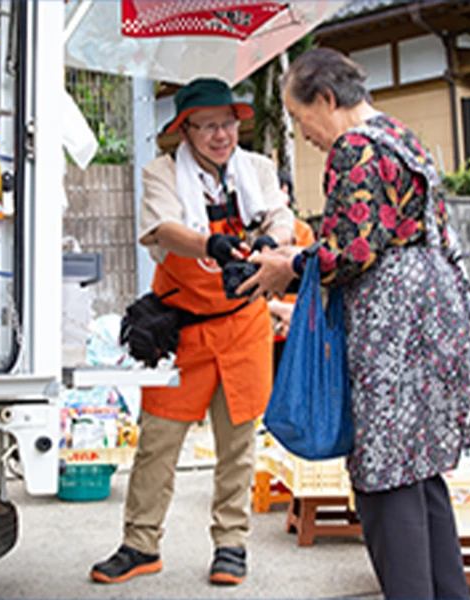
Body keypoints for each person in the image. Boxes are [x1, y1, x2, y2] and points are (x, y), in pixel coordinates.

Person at [239, 48, 470, 599]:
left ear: (326, 100)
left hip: (392, 325)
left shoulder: (355, 147)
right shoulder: (403, 136)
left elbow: (348, 252)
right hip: (435, 316)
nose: (305, 136)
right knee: (422, 474)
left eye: (302, 119)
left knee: (384, 477)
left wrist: (290, 265)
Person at [90, 78, 296, 586]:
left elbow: (283, 217)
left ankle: (231, 544)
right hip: (181, 330)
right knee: (158, 441)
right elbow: (164, 232)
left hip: (244, 325)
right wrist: (213, 246)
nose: (221, 134)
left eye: (227, 123)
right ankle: (141, 544)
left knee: (237, 443)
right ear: (184, 130)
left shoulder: (259, 170)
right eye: (206, 125)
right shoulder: (161, 173)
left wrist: (273, 239)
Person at [268, 171, 315, 369]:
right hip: (265, 325)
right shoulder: (250, 229)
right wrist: (279, 309)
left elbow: (310, 281)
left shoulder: (301, 230)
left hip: (295, 325)